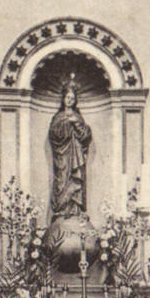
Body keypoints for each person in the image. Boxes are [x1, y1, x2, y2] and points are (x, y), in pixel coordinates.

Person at [47, 79, 92, 218]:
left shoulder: (78, 117)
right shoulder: (58, 117)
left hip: (76, 156)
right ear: (63, 98)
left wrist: (77, 125)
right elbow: (53, 135)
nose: (70, 100)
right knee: (61, 181)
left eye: (72, 98)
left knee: (76, 180)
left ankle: (75, 210)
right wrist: (65, 124)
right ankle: (61, 210)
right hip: (63, 157)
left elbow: (86, 136)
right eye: (68, 97)